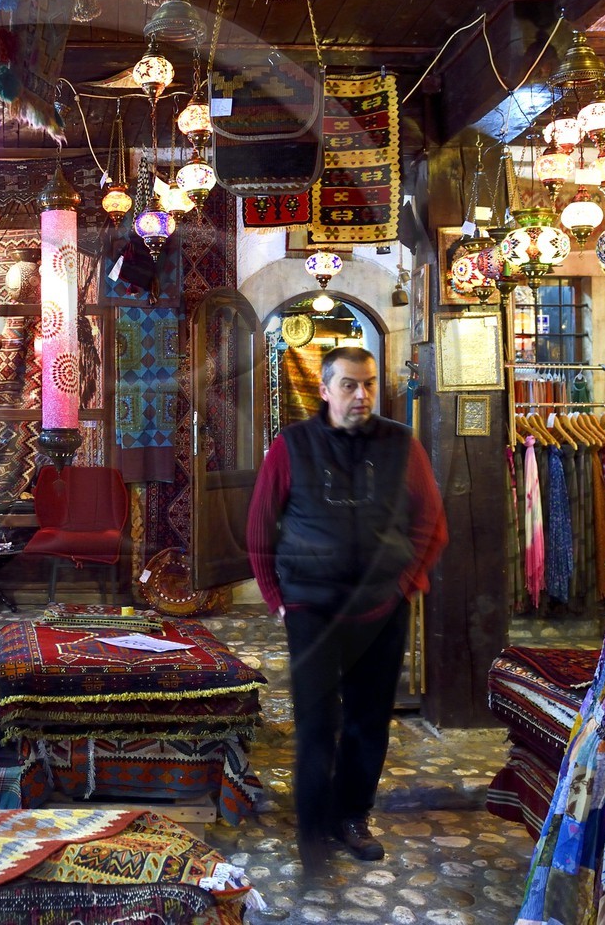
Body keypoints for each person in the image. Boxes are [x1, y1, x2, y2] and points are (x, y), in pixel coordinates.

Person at [245, 345, 447, 870]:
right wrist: (276, 598)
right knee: (316, 722)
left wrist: (404, 583)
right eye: (350, 385)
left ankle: (352, 816)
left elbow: (430, 520)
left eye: (369, 384)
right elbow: (261, 524)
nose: (362, 395)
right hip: (311, 606)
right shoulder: (292, 445)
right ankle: (312, 828)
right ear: (325, 389)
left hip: (381, 608)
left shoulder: (401, 445)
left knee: (368, 720)